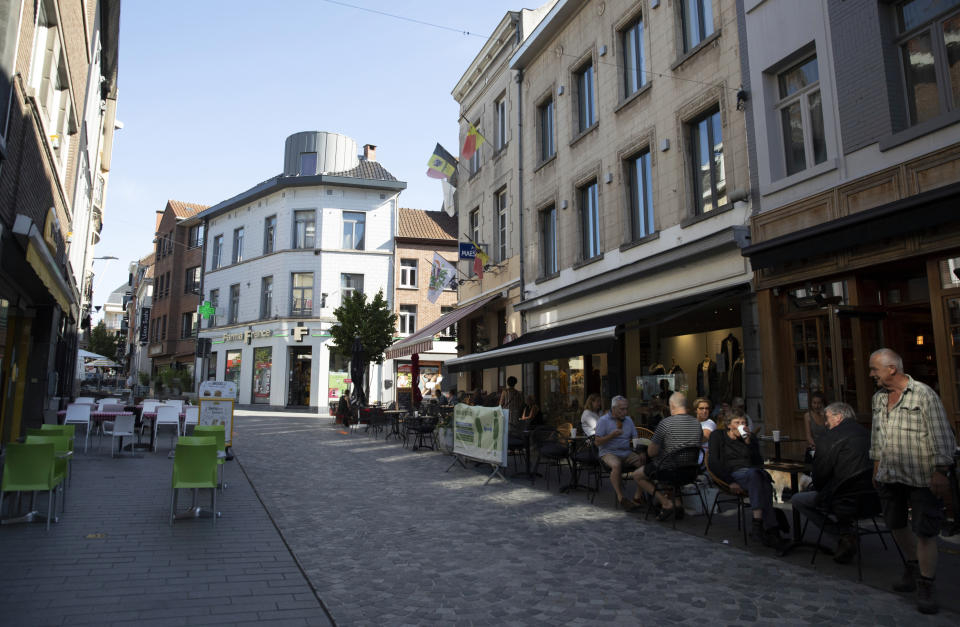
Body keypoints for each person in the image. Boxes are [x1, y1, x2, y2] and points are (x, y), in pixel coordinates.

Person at [868, 348, 956, 614]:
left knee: (925, 530)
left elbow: (941, 433)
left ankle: (926, 584)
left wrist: (941, 470)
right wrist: (875, 466)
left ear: (891, 369)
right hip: (890, 474)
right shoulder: (879, 398)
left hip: (921, 476)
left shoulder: (923, 394)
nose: (871, 374)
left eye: (874, 369)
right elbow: (877, 436)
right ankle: (912, 565)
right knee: (895, 523)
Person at [790, 402, 872, 564]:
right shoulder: (868, 433)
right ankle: (846, 532)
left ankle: (842, 535)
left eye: (827, 418)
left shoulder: (830, 437)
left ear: (838, 417)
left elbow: (820, 475)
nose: (825, 423)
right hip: (872, 498)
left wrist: (820, 486)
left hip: (841, 499)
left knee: (798, 499)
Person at [708, 409, 787, 549]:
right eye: (737, 422)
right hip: (733, 474)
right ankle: (771, 528)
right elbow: (713, 462)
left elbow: (758, 462)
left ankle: (759, 523)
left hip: (752, 474)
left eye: (743, 422)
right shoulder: (718, 436)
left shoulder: (750, 439)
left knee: (760, 477)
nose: (741, 425)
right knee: (761, 478)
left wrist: (749, 442)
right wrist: (730, 481)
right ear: (729, 425)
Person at [633, 392, 703, 520]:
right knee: (668, 466)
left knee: (637, 475)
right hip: (691, 471)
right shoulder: (697, 424)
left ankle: (666, 503)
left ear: (671, 405)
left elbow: (651, 452)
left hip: (669, 470)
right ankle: (678, 504)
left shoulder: (666, 423)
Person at [594, 395, 645, 509]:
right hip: (608, 452)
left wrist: (640, 452)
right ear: (614, 408)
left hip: (626, 451)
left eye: (626, 408)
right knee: (616, 465)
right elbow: (597, 442)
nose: (625, 412)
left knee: (643, 463)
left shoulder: (628, 420)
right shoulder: (603, 421)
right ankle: (621, 497)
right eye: (622, 409)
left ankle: (638, 495)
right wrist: (611, 436)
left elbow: (635, 439)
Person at [804, 391, 828, 461]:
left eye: (819, 403)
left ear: (823, 403)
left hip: (825, 448)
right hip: (813, 448)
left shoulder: (827, 415)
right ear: (811, 403)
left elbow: (830, 433)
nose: (816, 406)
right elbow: (808, 436)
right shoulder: (808, 416)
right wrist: (816, 446)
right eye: (814, 403)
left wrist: (824, 416)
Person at [694, 397, 717, 463]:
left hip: (703, 459)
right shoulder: (693, 422)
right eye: (701, 408)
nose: (704, 411)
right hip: (692, 455)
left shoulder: (710, 423)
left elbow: (703, 438)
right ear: (696, 410)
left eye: (707, 408)